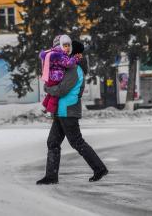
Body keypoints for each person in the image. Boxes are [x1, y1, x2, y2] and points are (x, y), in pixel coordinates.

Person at [36, 40, 108, 185]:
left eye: (67, 49)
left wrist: (47, 88)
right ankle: (51, 176)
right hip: (62, 110)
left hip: (68, 110)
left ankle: (99, 168)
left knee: (76, 141)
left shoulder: (74, 68)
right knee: (53, 142)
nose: (64, 51)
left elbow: (62, 89)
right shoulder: (69, 67)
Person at [39, 35, 82, 114]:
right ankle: (50, 111)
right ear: (60, 45)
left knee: (50, 94)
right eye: (65, 46)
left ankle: (45, 106)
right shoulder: (61, 55)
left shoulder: (51, 54)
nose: (68, 48)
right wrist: (75, 59)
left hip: (50, 78)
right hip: (56, 78)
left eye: (69, 45)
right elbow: (68, 64)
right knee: (55, 96)